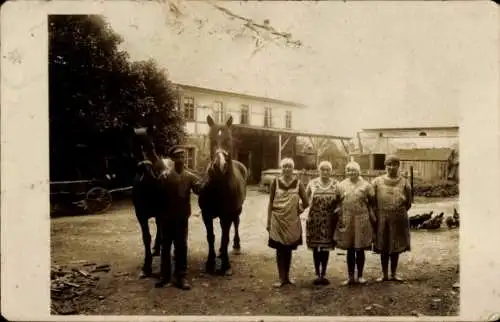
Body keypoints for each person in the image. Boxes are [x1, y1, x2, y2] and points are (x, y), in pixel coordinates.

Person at [155, 146, 205, 290]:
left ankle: (180, 277)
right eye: (178, 157)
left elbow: (199, 190)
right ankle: (164, 276)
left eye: (183, 157)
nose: (181, 160)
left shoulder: (190, 177)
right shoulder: (165, 176)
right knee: (165, 247)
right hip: (166, 217)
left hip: (182, 218)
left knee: (181, 247)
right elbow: (157, 195)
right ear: (172, 159)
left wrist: (205, 184)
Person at [267, 157, 309, 288]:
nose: (287, 169)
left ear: (293, 169)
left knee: (289, 249)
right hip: (277, 220)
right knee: (280, 249)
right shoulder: (275, 182)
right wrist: (268, 221)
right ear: (281, 169)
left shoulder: (298, 183)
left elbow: (306, 202)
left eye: (289, 167)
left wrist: (297, 211)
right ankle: (281, 278)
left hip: (291, 221)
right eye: (284, 167)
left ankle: (287, 277)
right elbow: (270, 202)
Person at [334, 161, 376, 285]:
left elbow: (373, 201)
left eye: (354, 170)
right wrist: (339, 212)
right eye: (349, 170)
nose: (351, 173)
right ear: (346, 172)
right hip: (347, 219)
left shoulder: (366, 185)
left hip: (362, 219)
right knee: (350, 249)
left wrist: (372, 215)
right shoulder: (341, 185)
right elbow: (337, 201)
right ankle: (351, 277)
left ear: (359, 171)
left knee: (360, 248)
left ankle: (361, 276)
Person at [372, 155, 412, 282]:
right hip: (382, 218)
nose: (391, 167)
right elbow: (372, 201)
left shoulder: (405, 182)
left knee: (395, 246)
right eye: (388, 164)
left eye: (394, 164)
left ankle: (393, 274)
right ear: (385, 166)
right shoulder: (376, 181)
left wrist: (397, 211)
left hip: (398, 218)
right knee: (383, 245)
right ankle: (384, 274)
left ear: (398, 166)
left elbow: (409, 203)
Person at [305, 160, 340, 285]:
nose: (325, 172)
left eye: (327, 170)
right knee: (316, 248)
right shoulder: (312, 183)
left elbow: (341, 202)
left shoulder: (336, 184)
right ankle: (317, 273)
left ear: (331, 171)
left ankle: (323, 273)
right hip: (314, 220)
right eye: (322, 169)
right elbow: (304, 200)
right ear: (318, 170)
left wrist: (338, 211)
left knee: (325, 248)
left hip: (329, 221)